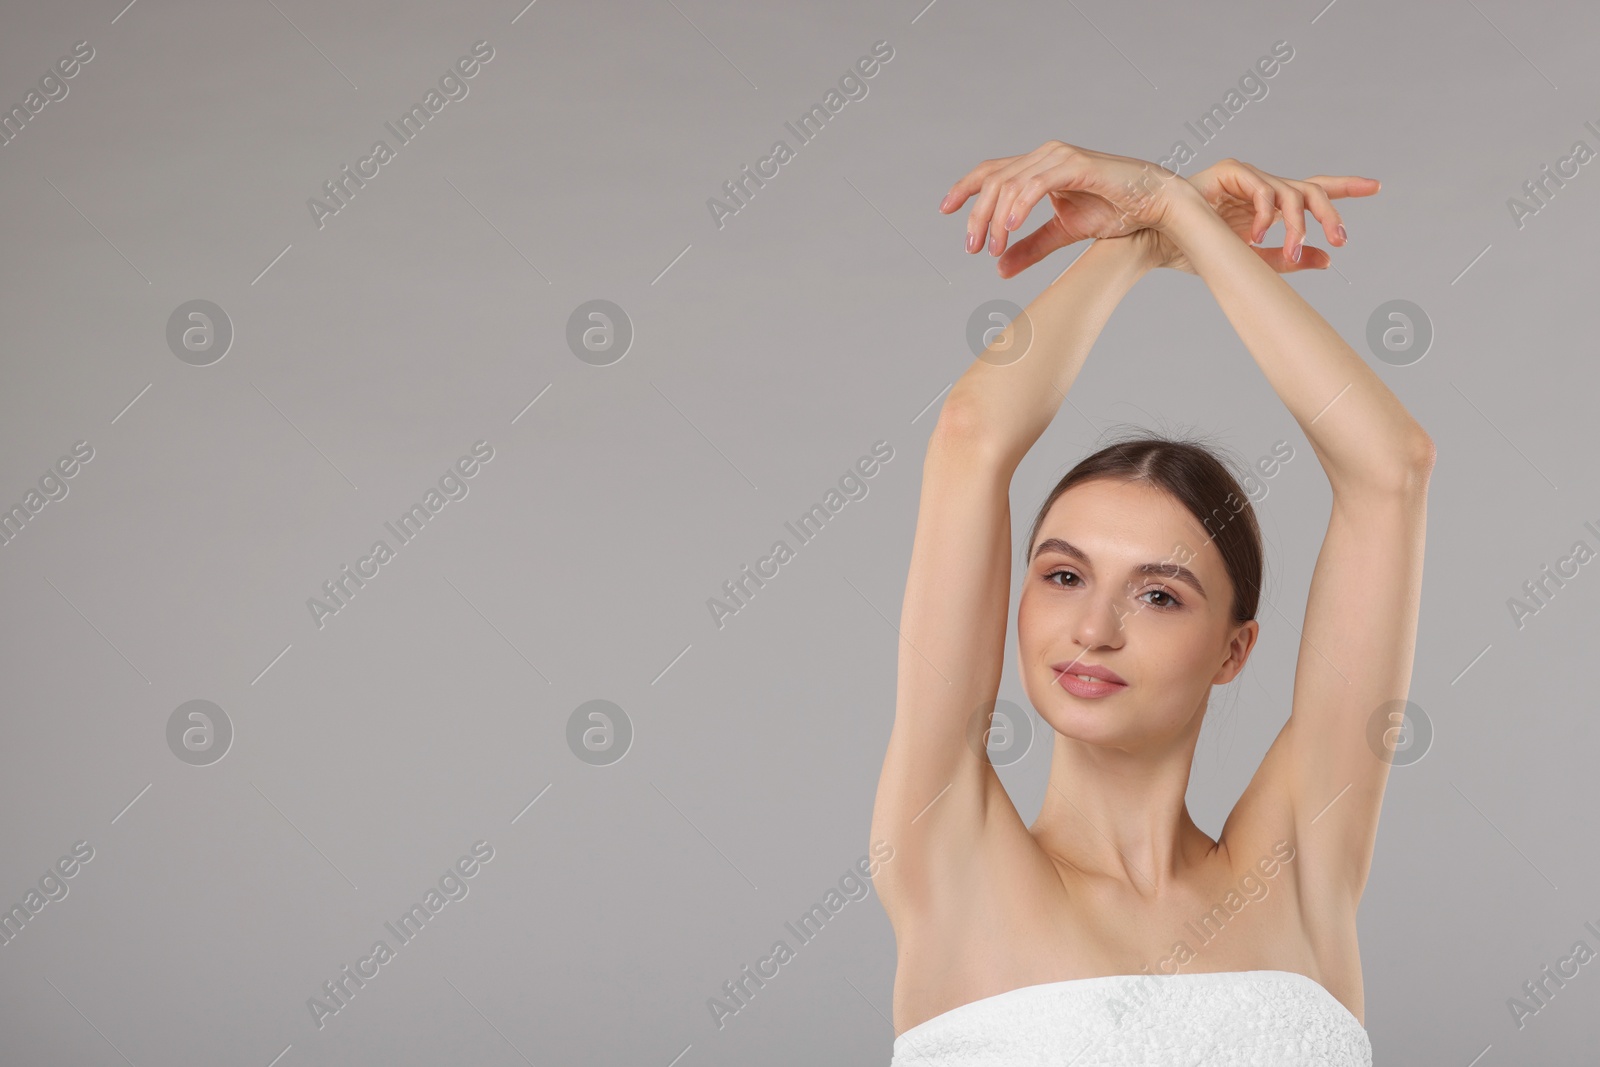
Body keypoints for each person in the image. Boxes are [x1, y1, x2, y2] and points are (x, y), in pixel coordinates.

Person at [869, 142, 1434, 1066]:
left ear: (1233, 648)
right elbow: (971, 435)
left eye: (1161, 594)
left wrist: (1186, 225)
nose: (1093, 628)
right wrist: (1152, 227)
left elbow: (1392, 470)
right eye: (1062, 575)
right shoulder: (950, 852)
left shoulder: (1296, 872)